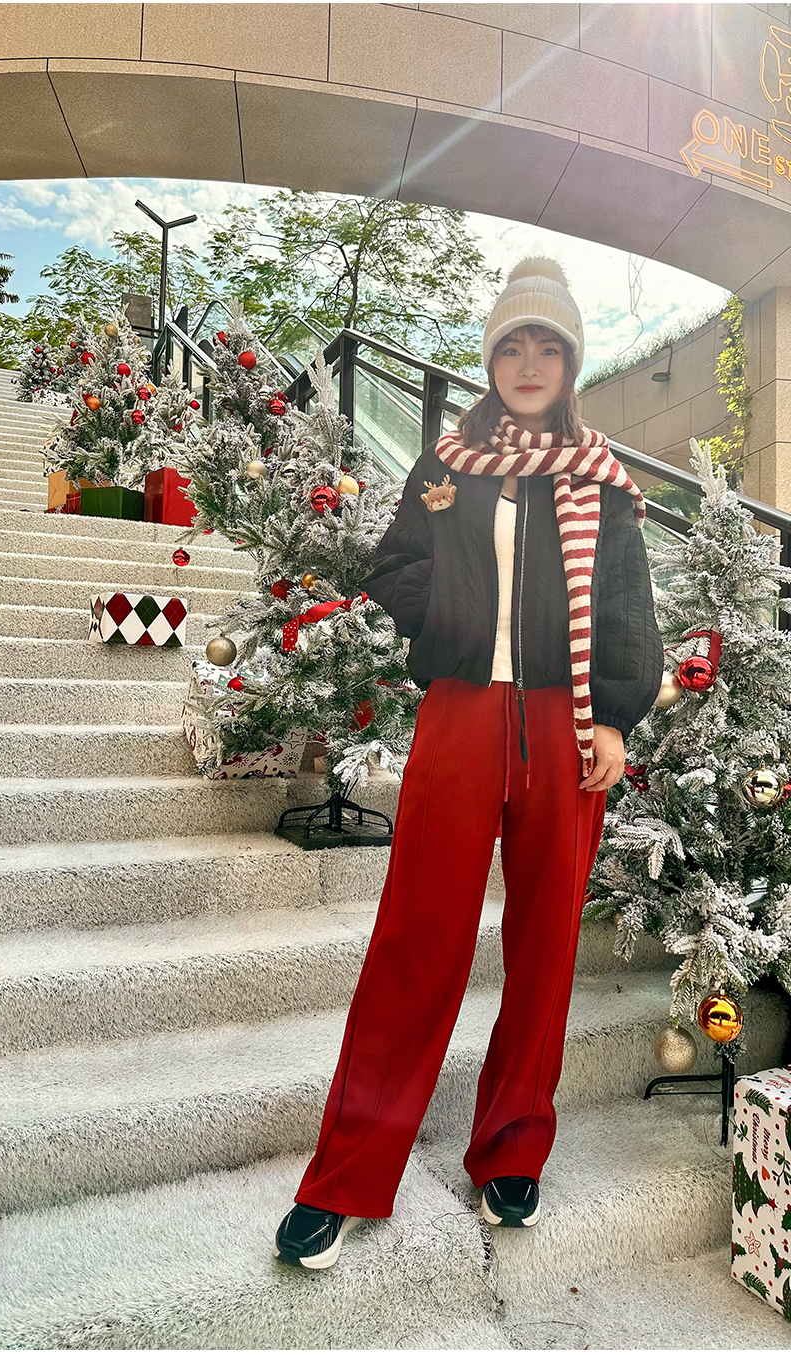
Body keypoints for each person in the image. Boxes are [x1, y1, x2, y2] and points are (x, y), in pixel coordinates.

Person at [273, 255, 665, 1271]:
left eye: (548, 346)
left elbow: (627, 605)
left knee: (544, 946)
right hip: (460, 716)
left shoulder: (601, 479)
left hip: (567, 726)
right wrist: (451, 622)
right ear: (490, 360)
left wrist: (616, 716)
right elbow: (394, 564)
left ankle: (512, 1149)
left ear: (569, 363)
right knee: (417, 935)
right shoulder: (446, 462)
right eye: (511, 345)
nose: (528, 362)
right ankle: (346, 1172)